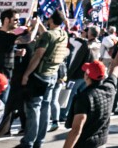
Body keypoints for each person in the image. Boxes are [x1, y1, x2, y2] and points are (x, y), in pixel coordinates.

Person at [61, 31, 118, 148]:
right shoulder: (109, 88)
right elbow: (117, 64)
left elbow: (76, 130)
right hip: (101, 143)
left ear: (87, 76)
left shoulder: (84, 97)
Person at [20, 10, 69, 148]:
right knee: (45, 107)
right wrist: (39, 24)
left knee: (34, 107)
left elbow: (38, 55)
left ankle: (28, 141)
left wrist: (26, 74)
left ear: (51, 21)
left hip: (40, 74)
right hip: (52, 75)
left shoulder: (48, 35)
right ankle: (38, 141)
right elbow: (48, 35)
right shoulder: (63, 34)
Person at [0, 10, 20, 105]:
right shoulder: (4, 36)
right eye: (15, 19)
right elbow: (29, 38)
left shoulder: (6, 36)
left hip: (6, 76)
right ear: (6, 20)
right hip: (1, 78)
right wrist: (36, 24)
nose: (18, 22)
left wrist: (16, 53)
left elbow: (3, 51)